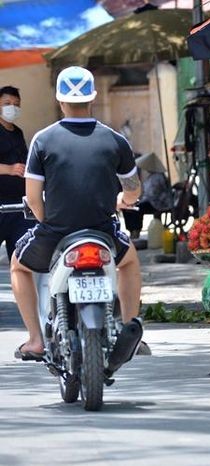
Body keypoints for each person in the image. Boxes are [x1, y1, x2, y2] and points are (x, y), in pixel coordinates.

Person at [11, 66, 143, 361]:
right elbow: (134, 191)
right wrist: (122, 199)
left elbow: (33, 198)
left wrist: (49, 223)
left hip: (57, 232)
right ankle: (128, 327)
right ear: (92, 99)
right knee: (130, 261)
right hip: (102, 232)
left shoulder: (42, 141)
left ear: (60, 101)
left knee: (18, 266)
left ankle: (35, 340)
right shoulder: (115, 140)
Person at [0, 86, 36, 261]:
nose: (12, 107)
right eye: (7, 103)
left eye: (16, 104)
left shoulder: (17, 132)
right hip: (1, 204)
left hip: (20, 206)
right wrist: (9, 169)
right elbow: (13, 167)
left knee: (21, 257)